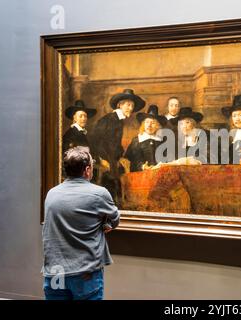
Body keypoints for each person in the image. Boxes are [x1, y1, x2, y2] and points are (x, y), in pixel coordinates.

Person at [42, 146, 120, 300]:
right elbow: (115, 219)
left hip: (55, 273)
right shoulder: (99, 193)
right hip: (84, 274)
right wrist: (105, 225)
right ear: (87, 170)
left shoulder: (52, 193)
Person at [89, 88, 145, 203]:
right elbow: (94, 140)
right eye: (128, 105)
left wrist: (120, 158)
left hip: (112, 161)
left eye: (132, 106)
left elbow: (115, 145)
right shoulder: (109, 119)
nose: (131, 108)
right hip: (104, 162)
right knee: (109, 188)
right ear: (120, 105)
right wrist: (101, 159)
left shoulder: (119, 121)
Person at [125, 105, 168, 172]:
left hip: (160, 173)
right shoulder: (137, 140)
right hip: (141, 174)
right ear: (143, 124)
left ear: (158, 126)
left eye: (153, 123)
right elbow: (134, 159)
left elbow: (167, 159)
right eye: (147, 122)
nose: (149, 125)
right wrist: (142, 166)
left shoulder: (163, 141)